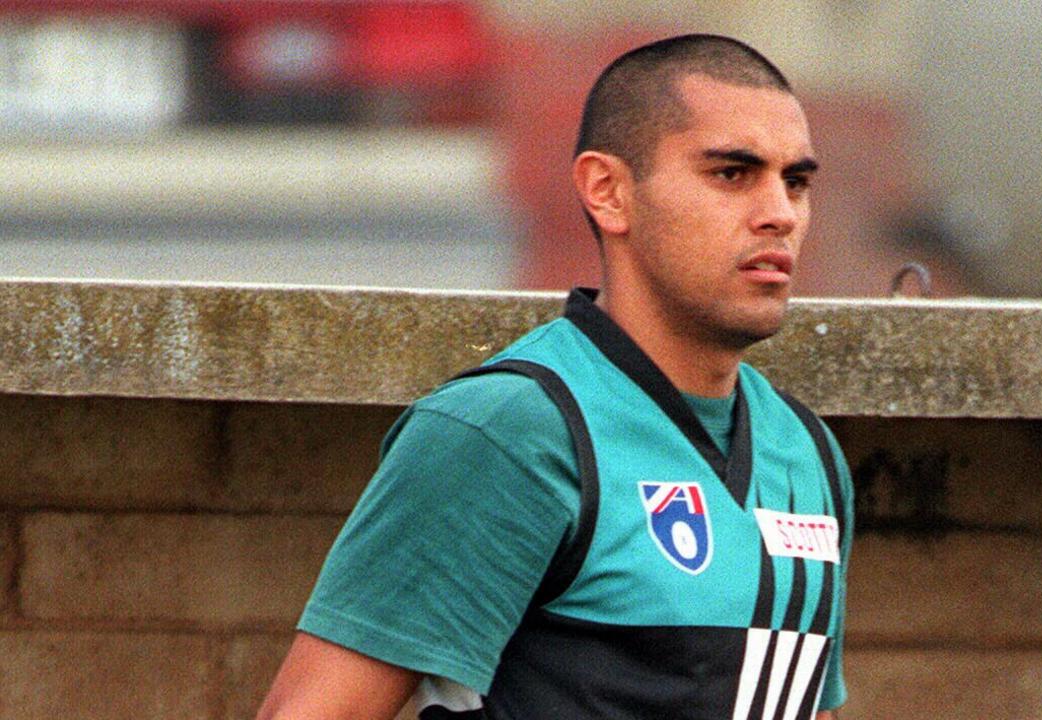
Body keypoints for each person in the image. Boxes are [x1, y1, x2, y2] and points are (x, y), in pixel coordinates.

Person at [257, 33, 853, 720]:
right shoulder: (509, 432)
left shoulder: (806, 454)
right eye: (732, 174)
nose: (779, 212)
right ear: (609, 192)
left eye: (796, 181)